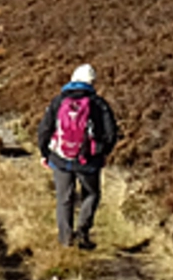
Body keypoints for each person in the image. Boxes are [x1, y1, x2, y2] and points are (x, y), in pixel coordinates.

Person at [36, 63, 119, 250]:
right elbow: (111, 133)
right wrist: (103, 152)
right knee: (92, 194)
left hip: (59, 158)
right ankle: (83, 232)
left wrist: (44, 153)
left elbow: (44, 130)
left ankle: (66, 240)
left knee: (64, 198)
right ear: (92, 82)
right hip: (88, 160)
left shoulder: (58, 102)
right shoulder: (98, 104)